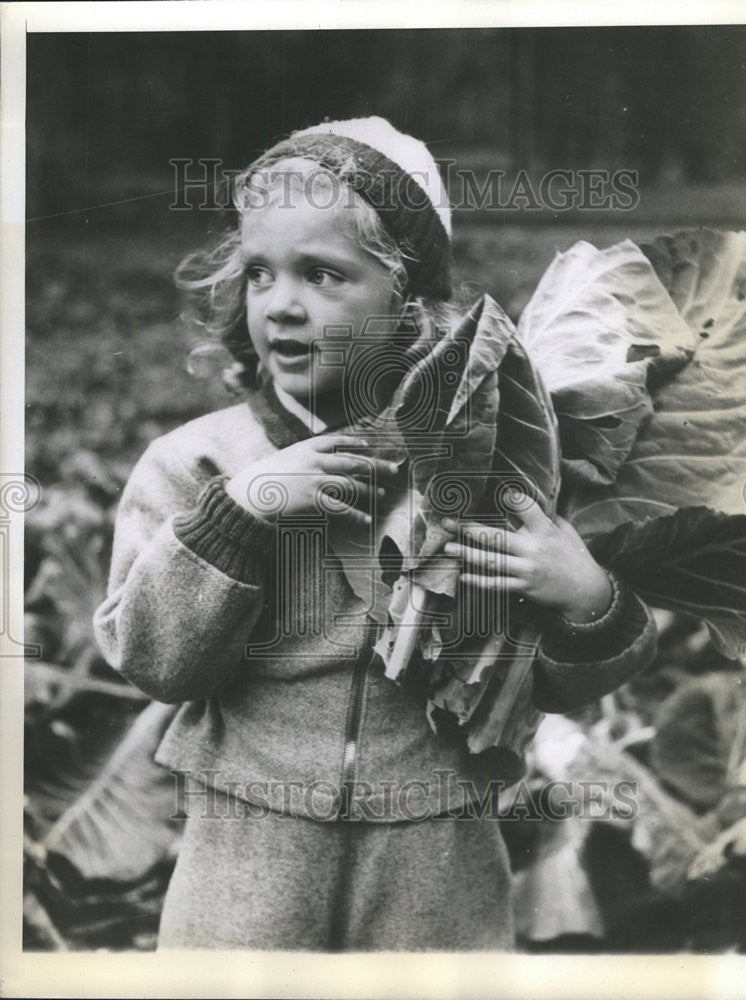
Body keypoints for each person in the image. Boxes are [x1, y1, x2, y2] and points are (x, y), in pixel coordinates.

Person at [93, 116, 657, 951]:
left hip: (437, 855)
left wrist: (587, 596)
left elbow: (543, 684)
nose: (280, 304)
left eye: (322, 274)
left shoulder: (488, 471)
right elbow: (155, 664)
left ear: (408, 300)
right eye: (258, 274)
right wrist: (237, 518)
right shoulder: (200, 464)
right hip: (248, 853)